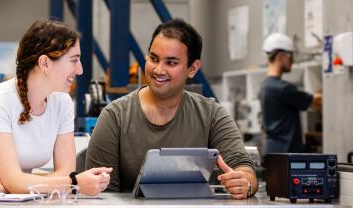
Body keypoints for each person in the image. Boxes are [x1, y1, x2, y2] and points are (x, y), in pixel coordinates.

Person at [85, 19, 257, 199]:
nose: (159, 70)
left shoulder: (211, 114)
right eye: (153, 59)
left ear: (192, 68)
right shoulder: (114, 117)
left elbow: (242, 164)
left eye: (171, 62)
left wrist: (245, 182)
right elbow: (101, 195)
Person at [0, 19, 112, 195]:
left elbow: (64, 173)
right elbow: (65, 179)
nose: (80, 70)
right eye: (73, 60)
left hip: (26, 196)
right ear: (45, 63)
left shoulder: (62, 102)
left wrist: (17, 183)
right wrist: (74, 183)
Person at [259, 33, 322, 155]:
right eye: (291, 56)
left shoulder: (265, 86)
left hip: (272, 152)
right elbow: (316, 101)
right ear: (280, 56)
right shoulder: (283, 88)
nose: (293, 61)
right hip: (286, 154)